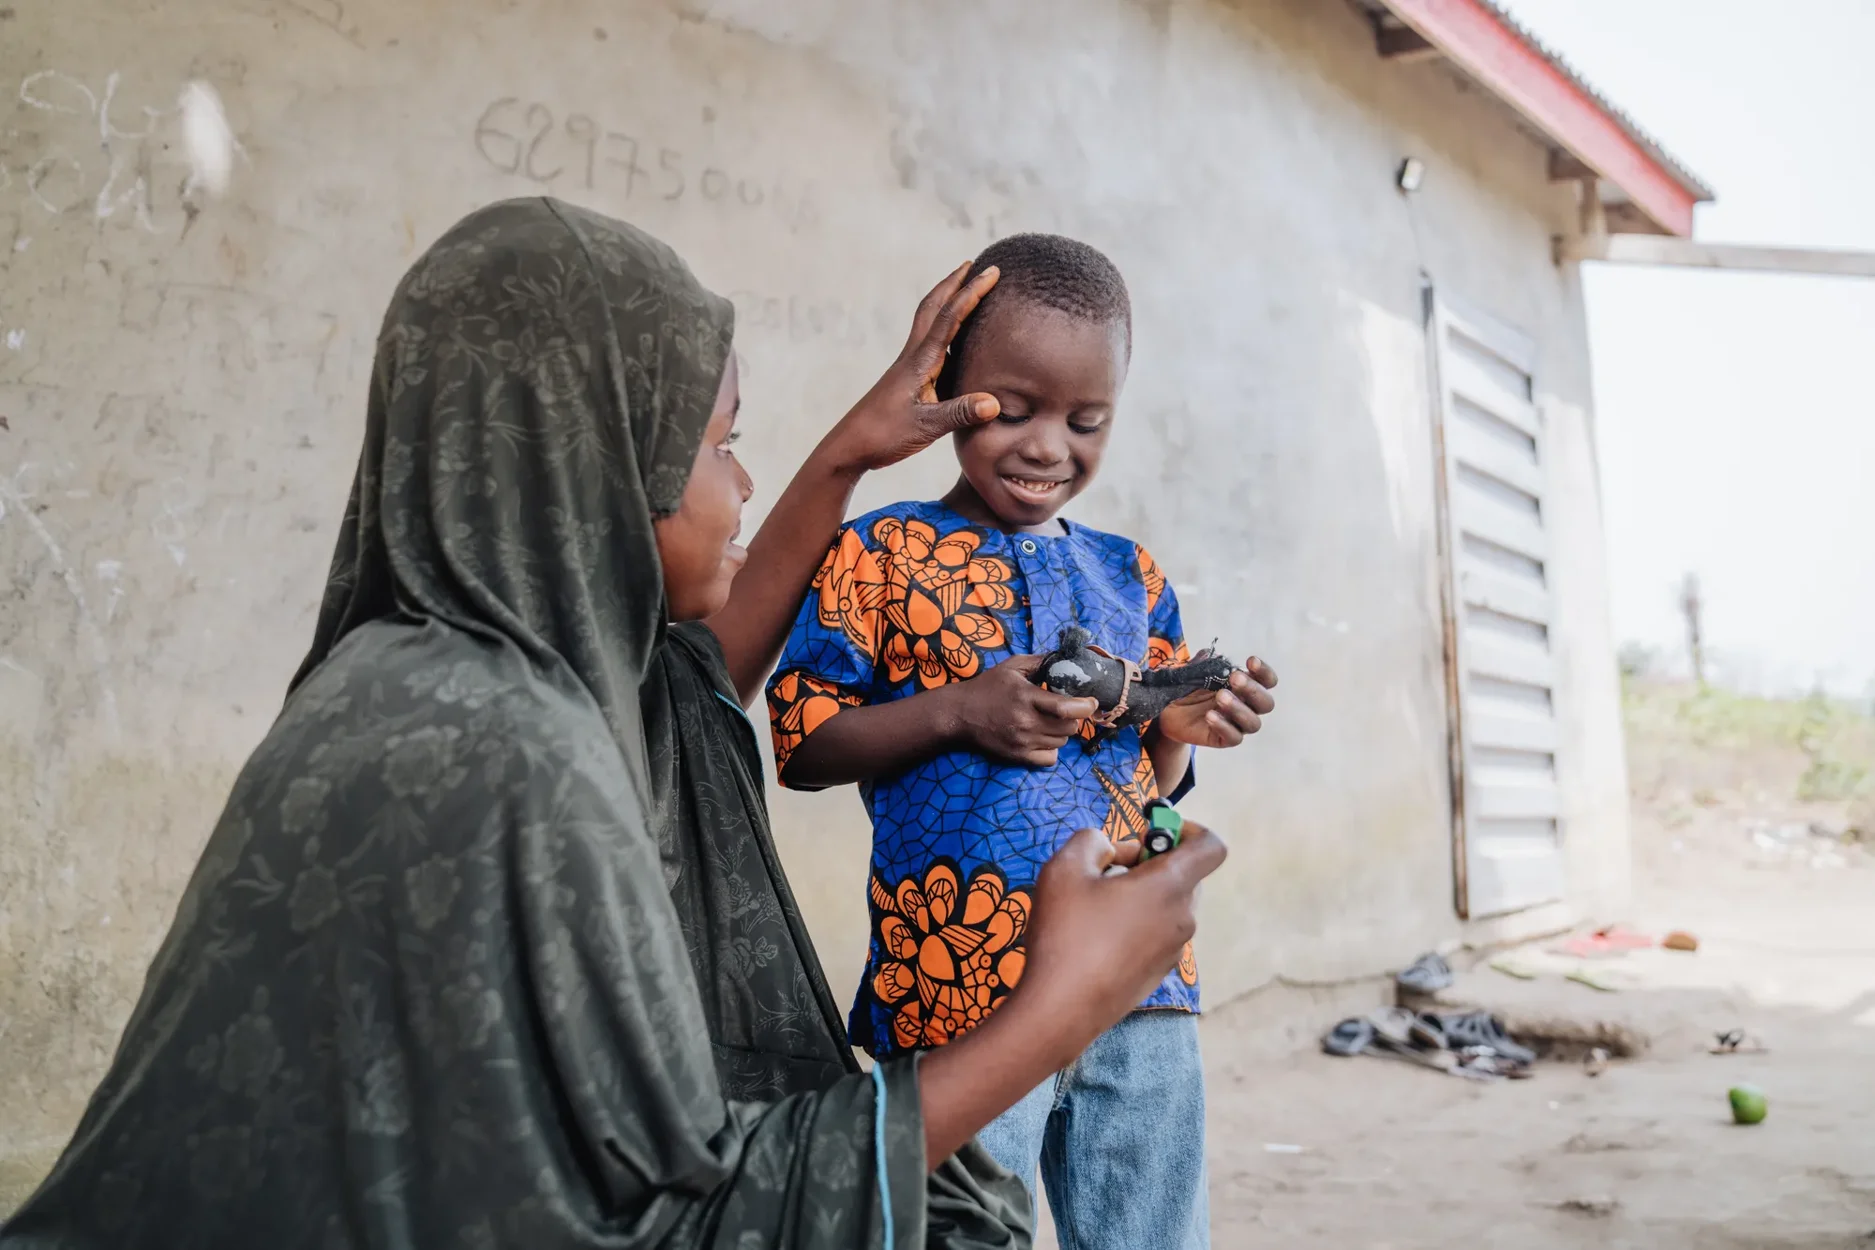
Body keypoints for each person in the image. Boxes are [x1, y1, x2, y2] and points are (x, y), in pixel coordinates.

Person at [0, 199, 1230, 1250]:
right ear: (594, 462)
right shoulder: (492, 749)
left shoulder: (481, 677)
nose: (742, 483)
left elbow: (704, 680)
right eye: (718, 443)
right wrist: (1057, 1008)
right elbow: (668, 1211)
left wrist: (854, 446)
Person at [766, 233, 1279, 1250]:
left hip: (1140, 980)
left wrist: (1181, 724)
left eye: (1088, 421)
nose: (1051, 446)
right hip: (962, 990)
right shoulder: (884, 550)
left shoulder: (1131, 573)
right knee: (964, 1235)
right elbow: (803, 736)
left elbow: (1153, 780)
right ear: (953, 384)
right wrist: (958, 708)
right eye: (1017, 407)